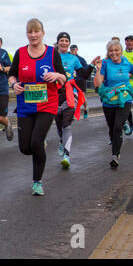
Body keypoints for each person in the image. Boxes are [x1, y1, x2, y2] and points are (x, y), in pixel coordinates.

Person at [8, 18, 66, 196]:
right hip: (26, 104)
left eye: (36, 31)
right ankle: (40, 143)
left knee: (36, 142)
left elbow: (63, 79)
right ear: (27, 33)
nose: (33, 35)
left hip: (47, 104)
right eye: (30, 32)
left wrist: (56, 75)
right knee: (25, 148)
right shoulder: (20, 53)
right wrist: (14, 85)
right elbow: (11, 75)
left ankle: (37, 182)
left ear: (42, 33)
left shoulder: (51, 52)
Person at [92, 40, 133, 168]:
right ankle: (116, 147)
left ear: (121, 51)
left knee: (118, 127)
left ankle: (115, 156)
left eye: (116, 50)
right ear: (108, 52)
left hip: (124, 98)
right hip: (109, 100)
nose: (114, 53)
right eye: (111, 50)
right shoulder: (105, 63)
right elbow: (99, 84)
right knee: (112, 128)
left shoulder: (126, 62)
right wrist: (98, 70)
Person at [55, 32, 86, 169]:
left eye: (66, 40)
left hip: (70, 92)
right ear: (58, 42)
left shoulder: (73, 59)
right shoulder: (51, 56)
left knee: (66, 123)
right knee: (58, 121)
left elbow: (83, 74)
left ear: (69, 43)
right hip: (54, 93)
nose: (64, 43)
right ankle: (62, 141)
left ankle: (66, 155)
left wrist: (91, 65)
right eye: (61, 40)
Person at [70, 44, 94, 118]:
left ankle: (86, 109)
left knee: (82, 97)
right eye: (71, 49)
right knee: (72, 97)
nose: (72, 51)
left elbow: (86, 69)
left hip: (80, 80)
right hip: (72, 80)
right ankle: (74, 113)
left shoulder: (81, 59)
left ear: (77, 49)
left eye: (74, 49)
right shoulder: (69, 58)